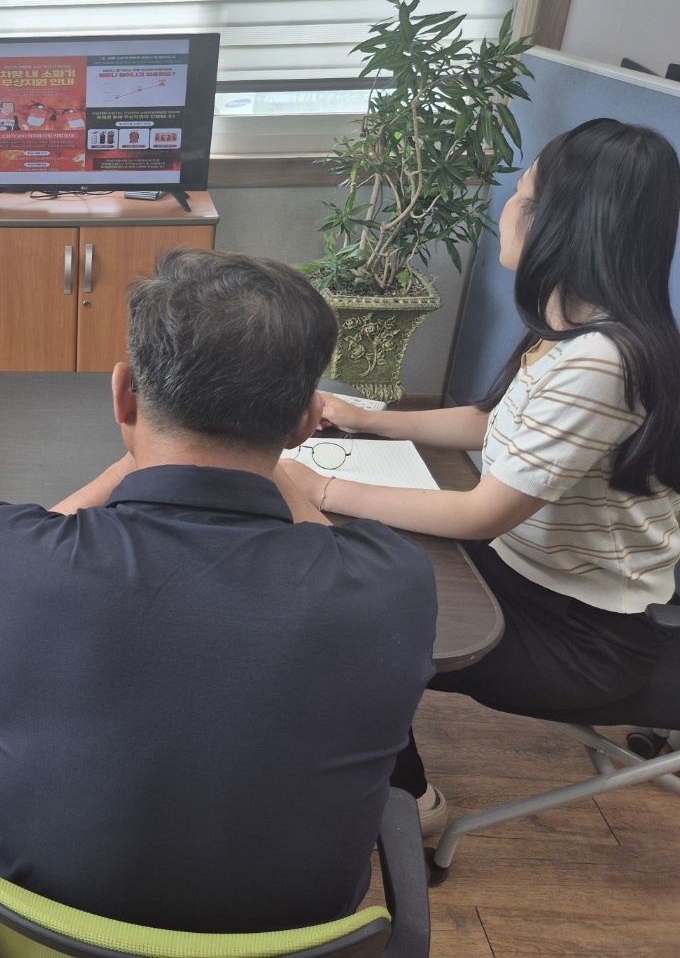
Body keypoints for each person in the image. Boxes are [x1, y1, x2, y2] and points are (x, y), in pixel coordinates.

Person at [0, 250, 438, 934]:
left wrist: (139, 450)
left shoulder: (2, 553)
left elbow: (31, 543)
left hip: (47, 938)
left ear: (124, 394)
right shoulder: (394, 583)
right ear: (305, 422)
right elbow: (327, 545)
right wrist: (274, 462)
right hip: (289, 945)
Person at [282, 118, 680, 827]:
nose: (507, 209)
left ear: (563, 223)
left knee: (353, 630)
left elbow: (482, 513)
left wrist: (319, 486)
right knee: (358, 565)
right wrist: (365, 418)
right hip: (530, 576)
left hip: (583, 632)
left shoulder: (602, 361)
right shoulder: (577, 326)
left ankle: (414, 809)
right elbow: (489, 423)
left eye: (522, 196)